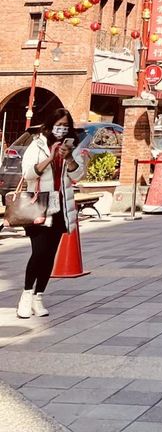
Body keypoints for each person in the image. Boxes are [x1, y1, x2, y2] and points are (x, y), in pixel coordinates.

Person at [17, 109, 85, 319]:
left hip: (60, 207)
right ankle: (26, 296)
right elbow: (27, 173)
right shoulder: (36, 145)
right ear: (49, 125)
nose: (61, 128)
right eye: (58, 124)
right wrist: (50, 158)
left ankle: (39, 297)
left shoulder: (71, 146)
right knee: (38, 251)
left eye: (65, 125)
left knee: (49, 255)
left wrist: (70, 158)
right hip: (38, 205)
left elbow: (78, 175)